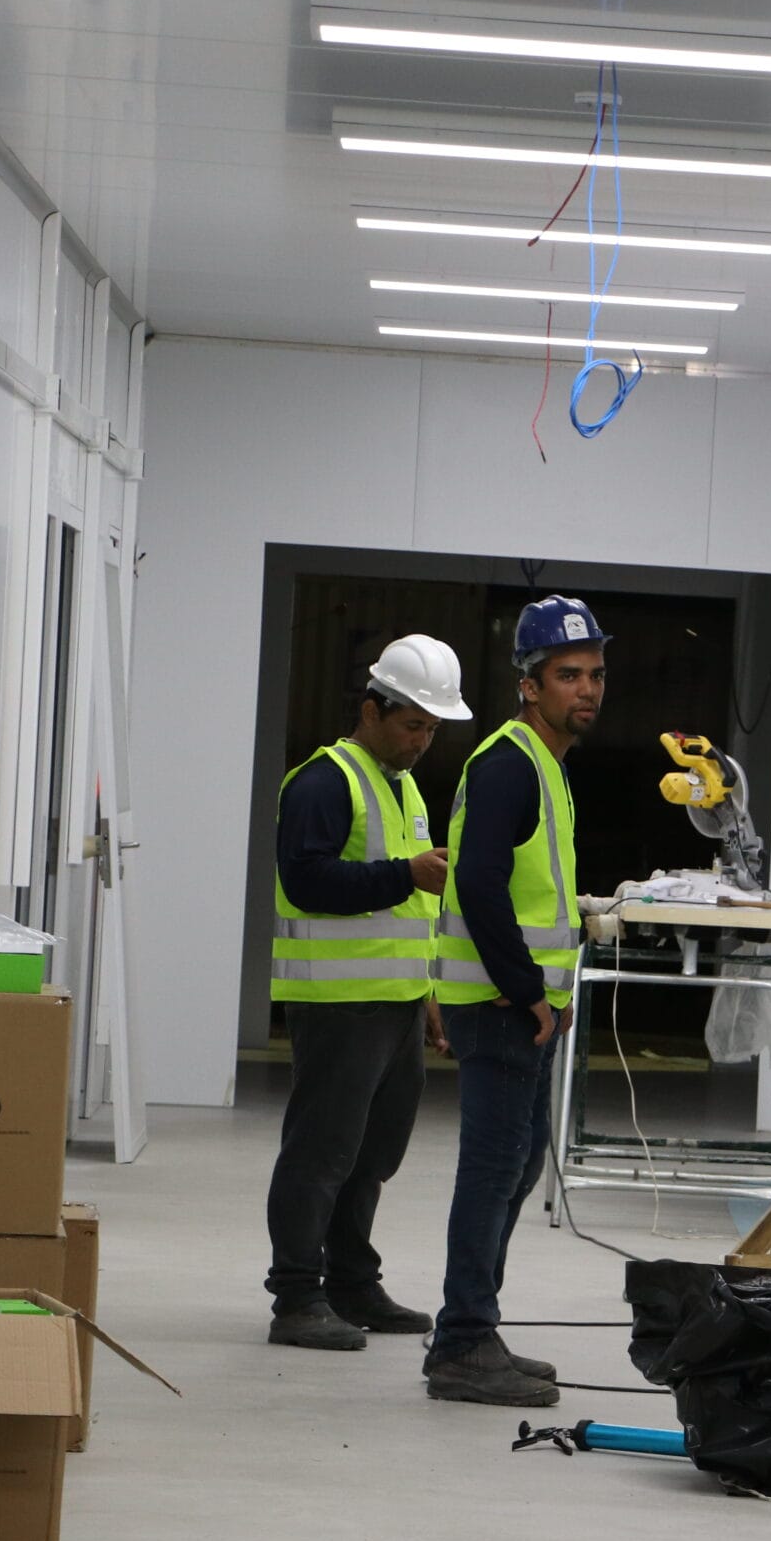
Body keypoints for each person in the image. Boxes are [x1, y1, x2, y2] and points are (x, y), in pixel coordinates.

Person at [421, 596, 607, 1406]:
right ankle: (462, 1340)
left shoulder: (545, 764)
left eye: (594, 674)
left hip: (522, 1006)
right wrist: (529, 990)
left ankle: (475, 1328)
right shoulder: (508, 764)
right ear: (529, 685)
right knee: (493, 1169)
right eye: (568, 675)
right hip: (500, 1006)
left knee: (516, 1165)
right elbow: (479, 884)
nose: (587, 689)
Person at [263, 634, 469, 1350]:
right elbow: (306, 881)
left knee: (372, 1155)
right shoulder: (324, 782)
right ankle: (296, 1297)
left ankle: (352, 1282)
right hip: (338, 1006)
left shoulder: (403, 787)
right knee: (320, 1152)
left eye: (431, 729)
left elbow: (410, 912)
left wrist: (429, 990)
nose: (422, 741)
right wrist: (405, 874)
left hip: (397, 1002)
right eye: (413, 724)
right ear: (371, 709)